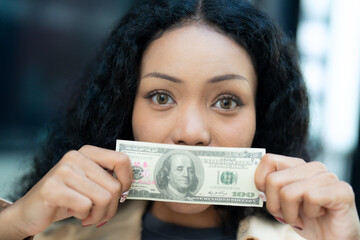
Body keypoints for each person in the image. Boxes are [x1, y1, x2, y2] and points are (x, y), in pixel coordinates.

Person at [0, 0, 359, 239]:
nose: (191, 133)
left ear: (261, 116)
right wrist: (12, 225)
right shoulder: (59, 233)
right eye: (161, 97)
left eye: (227, 101)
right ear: (125, 107)